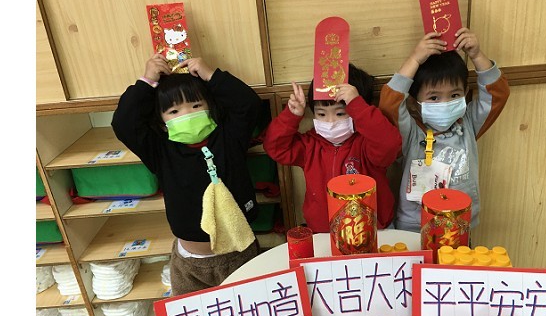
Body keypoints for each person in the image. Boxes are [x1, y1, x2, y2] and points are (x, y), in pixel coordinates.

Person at [111, 54, 262, 296]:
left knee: (249, 308)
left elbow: (248, 105)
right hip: (190, 264)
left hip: (240, 254)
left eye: (196, 106)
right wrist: (147, 81)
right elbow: (124, 124)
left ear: (210, 107)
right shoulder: (160, 150)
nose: (187, 114)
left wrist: (211, 75)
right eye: (174, 111)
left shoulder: (229, 137)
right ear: (162, 123)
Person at [379, 28, 510, 232]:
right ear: (413, 103)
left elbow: (497, 94)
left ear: (465, 93)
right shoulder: (410, 133)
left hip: (460, 223)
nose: (445, 103)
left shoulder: (468, 124)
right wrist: (414, 59)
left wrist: (477, 55)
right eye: (434, 97)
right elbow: (390, 104)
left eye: (454, 95)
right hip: (415, 226)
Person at [263, 64, 402, 233]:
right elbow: (275, 147)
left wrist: (357, 105)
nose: (330, 122)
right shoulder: (309, 145)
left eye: (340, 114)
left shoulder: (367, 144)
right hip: (325, 233)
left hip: (372, 230)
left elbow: (390, 144)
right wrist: (291, 116)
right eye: (321, 114)